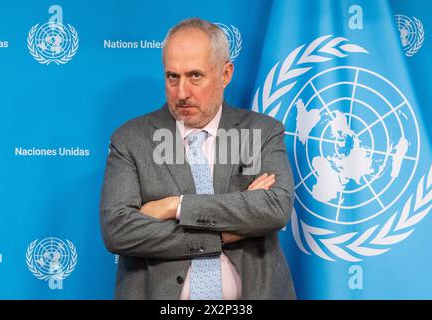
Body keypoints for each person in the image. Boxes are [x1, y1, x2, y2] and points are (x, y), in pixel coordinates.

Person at [100, 17, 296, 300]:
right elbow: (118, 230)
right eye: (172, 77)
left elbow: (275, 207)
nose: (182, 93)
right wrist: (226, 232)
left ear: (225, 74)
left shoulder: (262, 132)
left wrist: (175, 206)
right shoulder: (130, 139)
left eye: (195, 76)